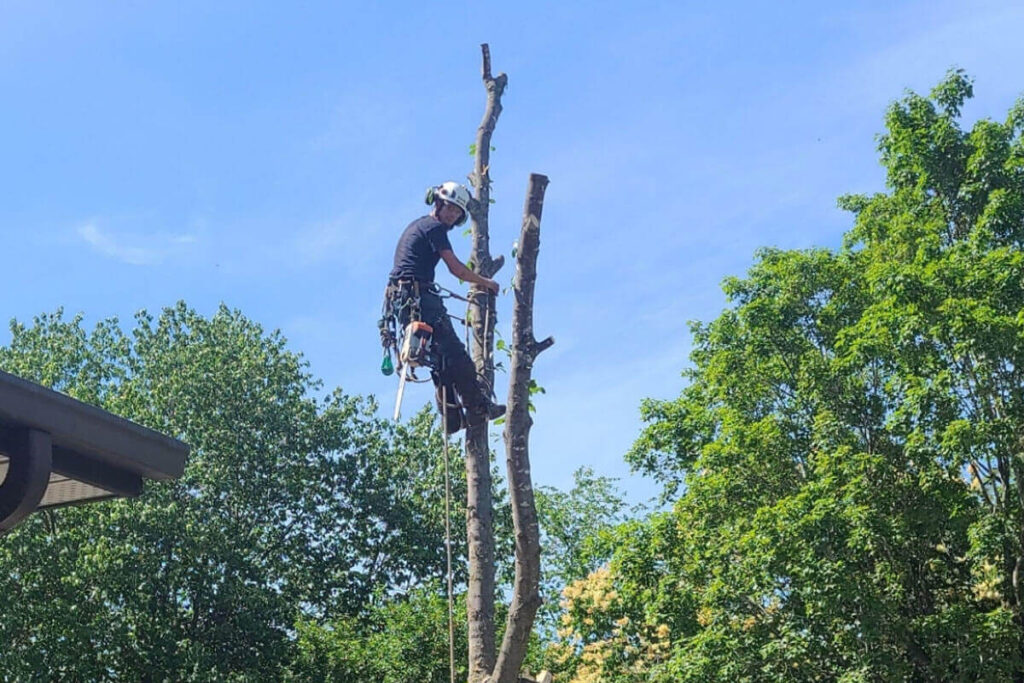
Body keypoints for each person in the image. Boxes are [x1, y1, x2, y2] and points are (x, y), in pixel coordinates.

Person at [385, 181, 505, 432]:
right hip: (418, 298)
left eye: (456, 212)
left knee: (441, 360)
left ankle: (451, 418)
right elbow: (456, 268)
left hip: (406, 299)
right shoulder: (433, 228)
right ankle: (479, 407)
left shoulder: (420, 225)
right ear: (438, 204)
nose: (451, 215)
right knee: (457, 354)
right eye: (449, 208)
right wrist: (485, 283)